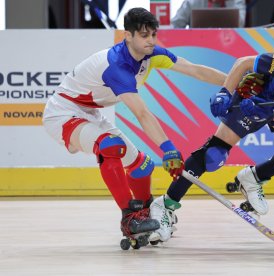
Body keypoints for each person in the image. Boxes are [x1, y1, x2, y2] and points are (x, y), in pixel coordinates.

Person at [42, 7, 226, 242]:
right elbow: (142, 113)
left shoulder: (152, 55)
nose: (151, 41)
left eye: (153, 35)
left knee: (142, 166)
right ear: (128, 36)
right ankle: (129, 218)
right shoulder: (116, 65)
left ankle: (146, 213)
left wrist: (234, 80)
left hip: (90, 113)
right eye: (144, 35)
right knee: (110, 146)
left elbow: (196, 70)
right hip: (63, 113)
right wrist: (168, 148)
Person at [149, 33, 274, 243]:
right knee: (213, 155)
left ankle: (252, 179)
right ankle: (165, 206)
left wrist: (271, 114)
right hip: (255, 100)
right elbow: (244, 63)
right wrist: (225, 93)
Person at [171, 0, 246, 28]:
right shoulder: (191, 2)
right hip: (198, 46)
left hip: (229, 45)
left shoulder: (237, 1)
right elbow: (175, 25)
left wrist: (229, 2)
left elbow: (240, 23)